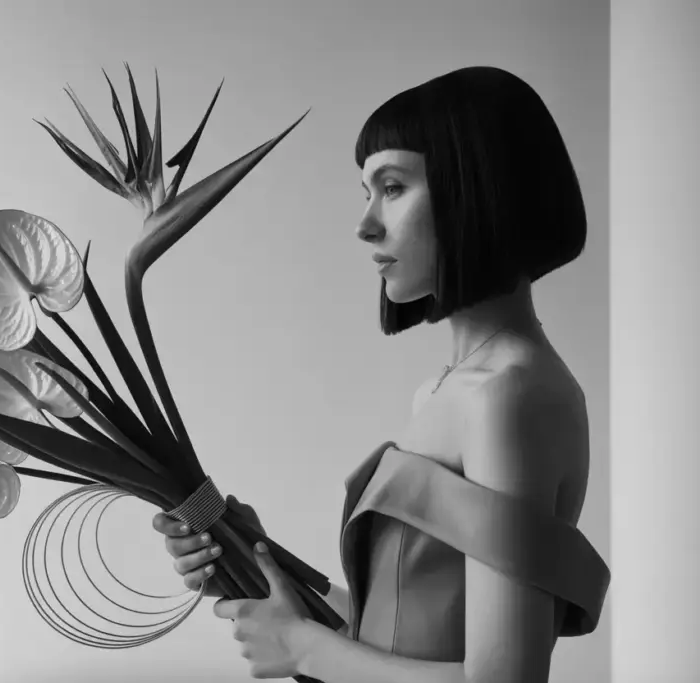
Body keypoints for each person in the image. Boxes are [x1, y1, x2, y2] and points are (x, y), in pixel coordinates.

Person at [151, 65, 609, 682]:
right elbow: (400, 634)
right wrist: (256, 565)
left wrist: (303, 648)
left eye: (393, 187)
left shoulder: (508, 395)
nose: (365, 224)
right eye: (366, 193)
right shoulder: (449, 388)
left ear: (478, 189)